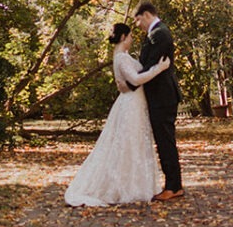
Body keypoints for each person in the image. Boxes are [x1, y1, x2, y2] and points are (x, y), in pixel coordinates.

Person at [64, 22, 172, 207]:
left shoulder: (124, 56)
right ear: (123, 37)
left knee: (134, 144)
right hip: (130, 105)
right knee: (127, 145)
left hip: (135, 103)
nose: (131, 39)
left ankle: (135, 185)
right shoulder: (121, 58)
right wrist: (159, 69)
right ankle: (122, 187)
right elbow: (137, 79)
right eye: (130, 36)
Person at [134, 1, 183, 201]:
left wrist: (132, 79)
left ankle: (173, 186)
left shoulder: (158, 34)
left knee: (165, 141)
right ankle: (173, 184)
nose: (138, 26)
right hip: (160, 96)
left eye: (138, 21)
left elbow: (150, 64)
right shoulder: (156, 33)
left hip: (163, 96)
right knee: (163, 141)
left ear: (146, 15)